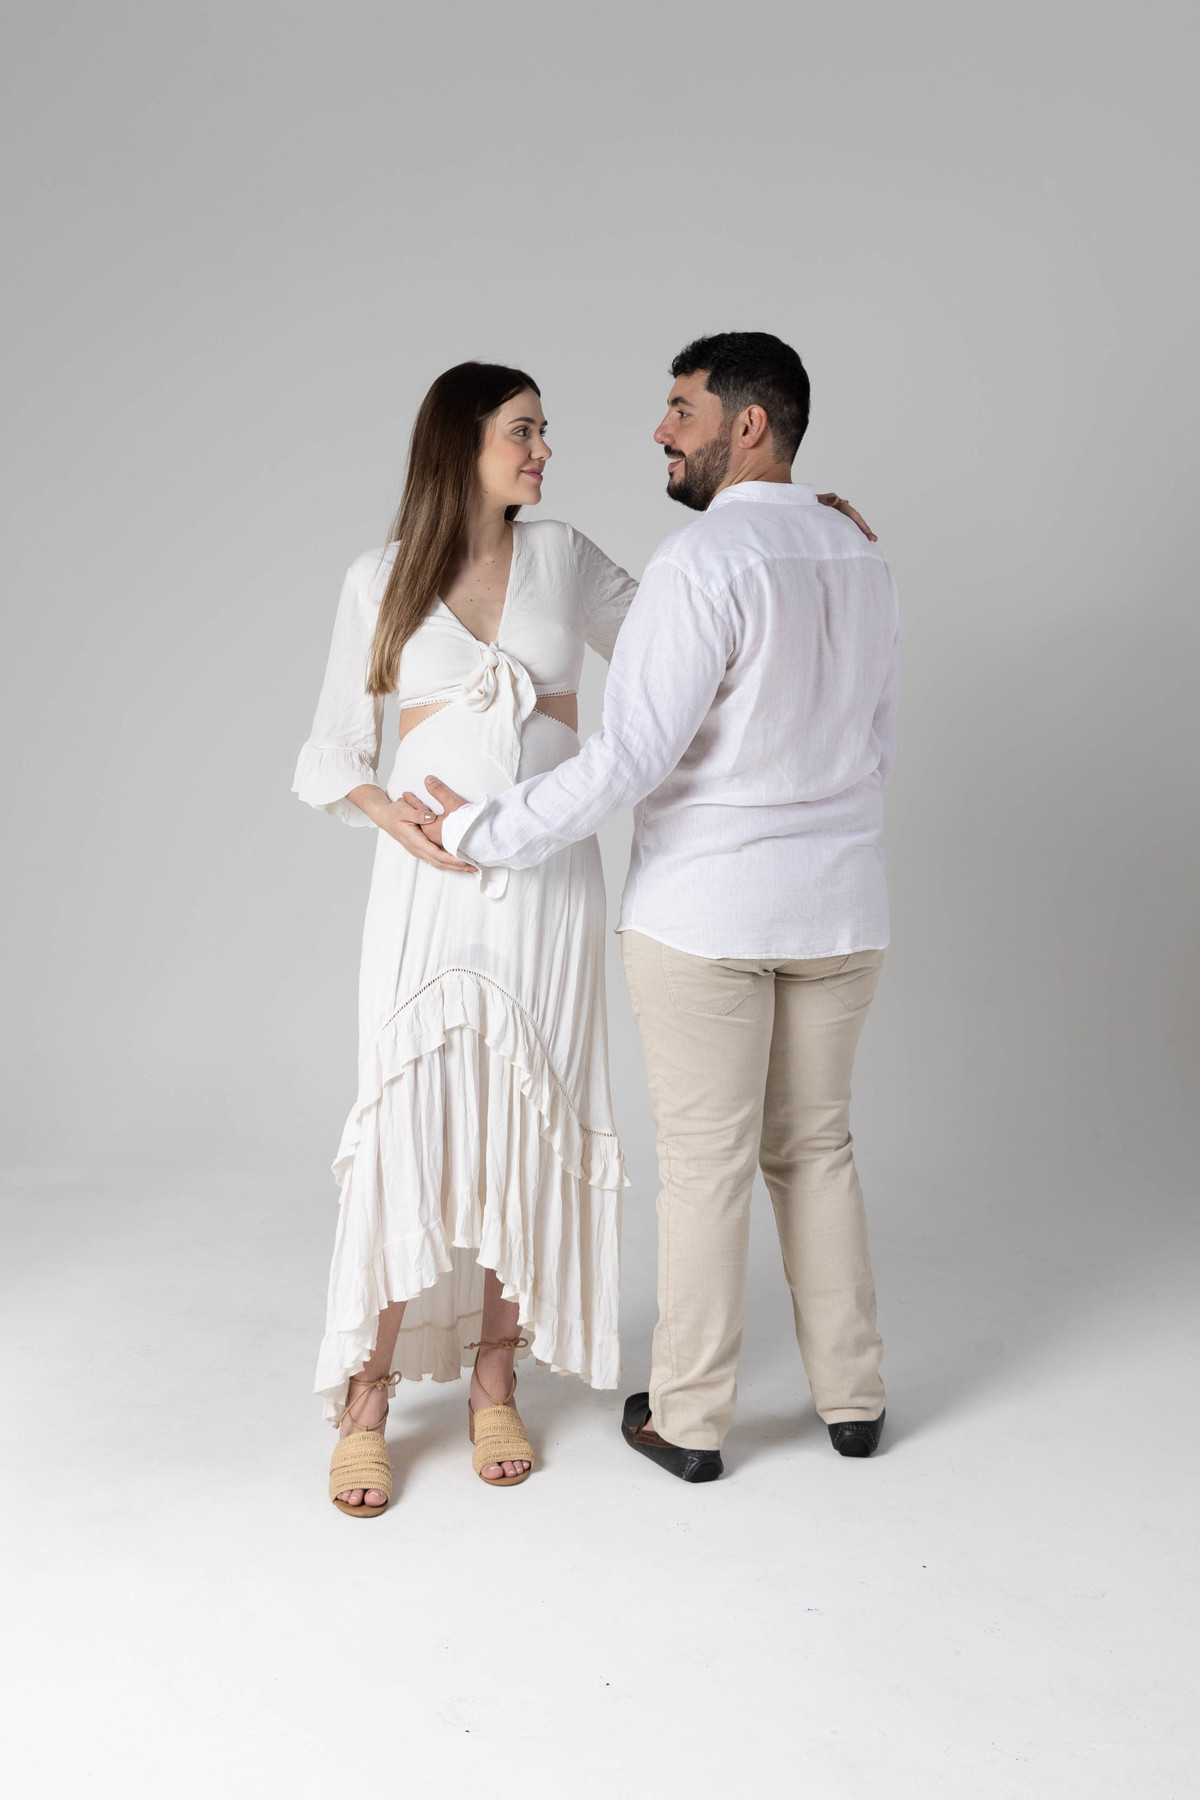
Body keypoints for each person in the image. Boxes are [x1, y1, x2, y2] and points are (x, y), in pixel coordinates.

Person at [415, 332, 898, 1483]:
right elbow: (875, 741)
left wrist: (479, 830)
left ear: (748, 425)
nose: (660, 431)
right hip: (842, 908)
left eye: (683, 409)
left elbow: (629, 757)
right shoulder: (860, 553)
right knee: (818, 1149)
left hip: (709, 914)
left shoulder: (702, 561)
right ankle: (855, 1401)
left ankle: (687, 1420)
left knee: (708, 1166)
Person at [293, 362, 638, 1513]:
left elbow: (686, 641)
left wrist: (791, 525)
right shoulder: (380, 577)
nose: (543, 451)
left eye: (543, 431)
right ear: (462, 443)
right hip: (428, 893)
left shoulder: (566, 557)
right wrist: (391, 818)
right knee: (412, 1117)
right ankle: (367, 1394)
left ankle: (498, 1375)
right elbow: (334, 747)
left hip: (548, 884)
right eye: (522, 431)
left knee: (529, 1118)